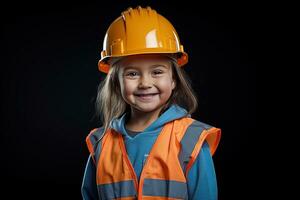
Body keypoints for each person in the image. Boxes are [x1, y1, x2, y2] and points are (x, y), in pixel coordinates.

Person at [81, 6, 221, 200]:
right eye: (132, 74)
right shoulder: (101, 144)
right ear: (116, 83)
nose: (145, 83)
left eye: (157, 72)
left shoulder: (191, 140)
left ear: (173, 80)